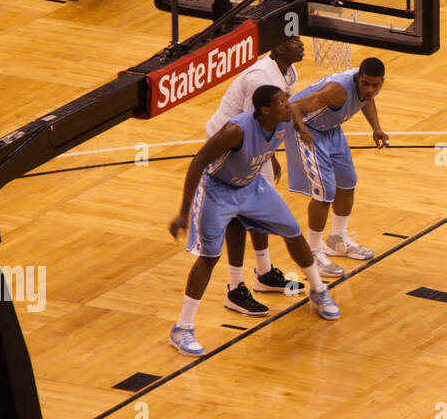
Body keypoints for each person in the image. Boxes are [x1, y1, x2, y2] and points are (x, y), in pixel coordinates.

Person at [167, 85, 340, 356]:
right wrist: (183, 212)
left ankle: (318, 290)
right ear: (265, 110)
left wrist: (296, 134)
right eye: (281, 102)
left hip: (251, 186)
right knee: (209, 257)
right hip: (217, 190)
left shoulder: (281, 120)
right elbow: (198, 162)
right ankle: (182, 328)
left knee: (293, 231)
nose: (288, 104)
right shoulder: (235, 131)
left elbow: (294, 111)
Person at [205, 37, 311, 316]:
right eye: (292, 40)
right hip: (227, 145)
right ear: (277, 47)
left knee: (258, 208)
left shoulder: (288, 71)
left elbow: (271, 121)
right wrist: (269, 157)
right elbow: (249, 126)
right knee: (240, 215)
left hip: (253, 143)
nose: (301, 44)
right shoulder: (259, 78)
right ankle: (235, 288)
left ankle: (263, 273)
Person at [285, 56, 390, 278]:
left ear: (382, 82)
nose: (370, 89)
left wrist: (377, 128)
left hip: (331, 130)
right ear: (357, 78)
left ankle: (337, 239)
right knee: (325, 193)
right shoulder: (338, 91)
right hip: (307, 129)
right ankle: (312, 251)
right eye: (365, 84)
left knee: (347, 183)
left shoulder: (368, 89)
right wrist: (302, 131)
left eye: (375, 85)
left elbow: (367, 100)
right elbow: (293, 106)